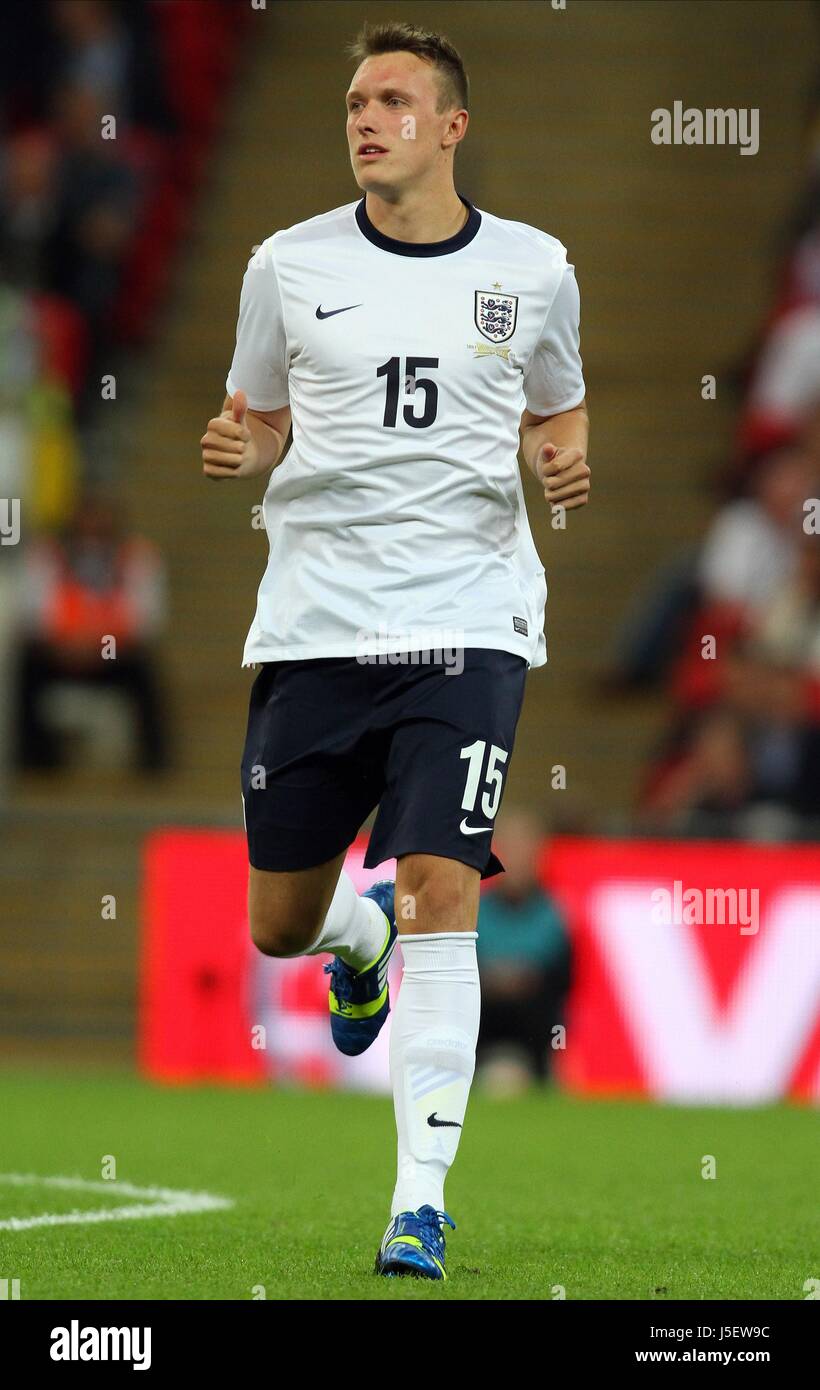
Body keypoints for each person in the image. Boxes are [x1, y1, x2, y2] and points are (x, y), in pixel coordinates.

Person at [200, 21, 590, 1282]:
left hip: (470, 623)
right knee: (277, 927)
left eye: (392, 100)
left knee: (441, 890)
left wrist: (562, 450)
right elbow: (257, 415)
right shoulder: (287, 265)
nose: (366, 119)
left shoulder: (534, 269)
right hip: (318, 627)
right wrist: (244, 451)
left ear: (451, 125)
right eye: (354, 102)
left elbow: (558, 395)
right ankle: (351, 946)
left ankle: (417, 1201)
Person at [475, 808, 572, 1087]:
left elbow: (564, 983)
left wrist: (524, 980)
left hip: (536, 1033)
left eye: (525, 851)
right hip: (484, 1027)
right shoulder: (478, 912)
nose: (518, 860)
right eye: (511, 850)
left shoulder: (554, 916)